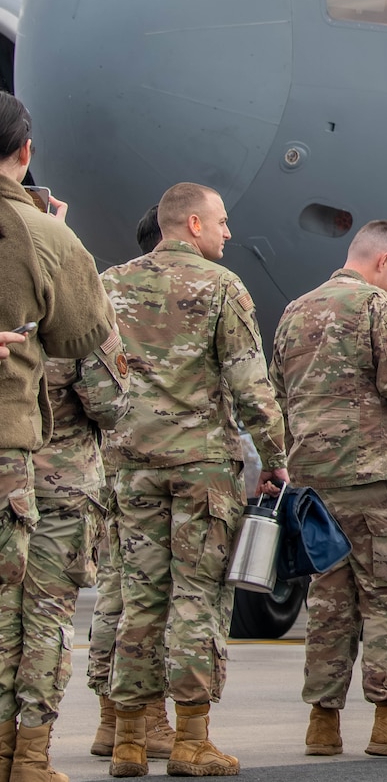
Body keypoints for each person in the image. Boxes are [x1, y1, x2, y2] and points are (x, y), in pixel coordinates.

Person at [101, 181, 288, 777]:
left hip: (132, 467)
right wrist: (277, 454)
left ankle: (128, 740)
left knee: (139, 598)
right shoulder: (221, 287)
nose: (230, 232)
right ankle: (189, 739)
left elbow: (88, 373)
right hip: (200, 468)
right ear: (194, 225)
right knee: (197, 600)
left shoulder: (111, 284)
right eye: (224, 221)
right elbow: (250, 384)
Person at [272, 219, 387, 757]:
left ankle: (322, 724)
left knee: (329, 601)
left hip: (314, 484)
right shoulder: (374, 307)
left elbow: (280, 391)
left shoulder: (294, 312)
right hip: (371, 478)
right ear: (382, 261)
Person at [0, 93, 123, 782]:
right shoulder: (49, 243)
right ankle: (30, 757)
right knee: (42, 618)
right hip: (56, 480)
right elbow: (108, 396)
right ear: (25, 154)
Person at [89, 211, 171, 766]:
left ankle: (108, 717)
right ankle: (147, 716)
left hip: (110, 464)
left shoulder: (104, 288)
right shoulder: (196, 290)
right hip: (167, 464)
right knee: (157, 596)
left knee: (115, 593)